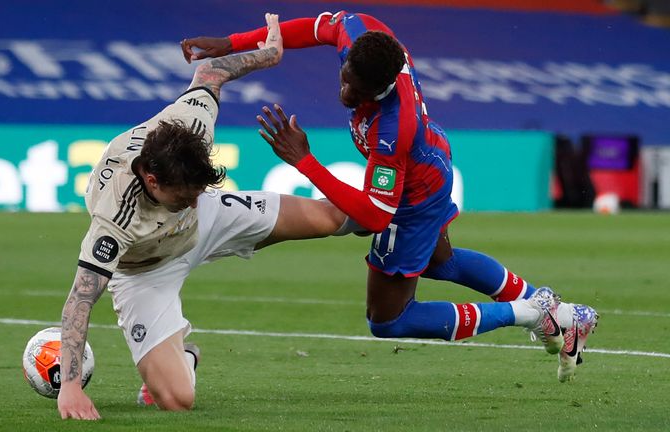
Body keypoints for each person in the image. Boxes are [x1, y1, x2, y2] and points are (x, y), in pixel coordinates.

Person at [181, 11, 598, 382]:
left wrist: (304, 161)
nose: (344, 92)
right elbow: (316, 27)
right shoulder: (364, 34)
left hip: (413, 197)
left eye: (356, 91)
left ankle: (532, 313)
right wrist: (235, 42)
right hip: (432, 162)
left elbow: (378, 215)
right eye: (344, 77)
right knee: (444, 262)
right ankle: (561, 315)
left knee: (389, 320)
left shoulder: (392, 129)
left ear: (380, 88)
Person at [56, 14, 351, 420]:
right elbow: (80, 300)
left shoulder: (189, 129)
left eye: (196, 192)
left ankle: (406, 213)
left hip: (210, 224)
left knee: (336, 217)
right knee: (178, 401)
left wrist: (266, 56)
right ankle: (184, 356)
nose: (192, 201)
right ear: (152, 180)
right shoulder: (116, 217)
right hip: (145, 270)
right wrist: (69, 386)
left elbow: (210, 71)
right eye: (184, 196)